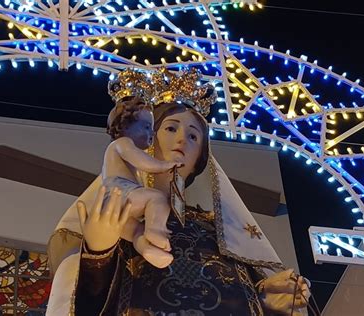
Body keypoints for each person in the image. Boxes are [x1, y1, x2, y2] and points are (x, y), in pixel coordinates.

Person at [46, 68, 310, 315]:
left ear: (201, 159)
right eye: (171, 128)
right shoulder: (122, 210)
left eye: (194, 136)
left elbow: (240, 299)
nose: (182, 139)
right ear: (147, 138)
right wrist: (98, 253)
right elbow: (85, 299)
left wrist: (269, 299)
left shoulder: (220, 234)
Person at [103, 95, 182, 268]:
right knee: (156, 198)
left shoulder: (119, 147)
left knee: (137, 231)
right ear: (125, 126)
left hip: (113, 208)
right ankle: (156, 232)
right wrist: (165, 165)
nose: (151, 133)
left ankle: (149, 249)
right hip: (118, 193)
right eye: (147, 127)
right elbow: (143, 162)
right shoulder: (123, 143)